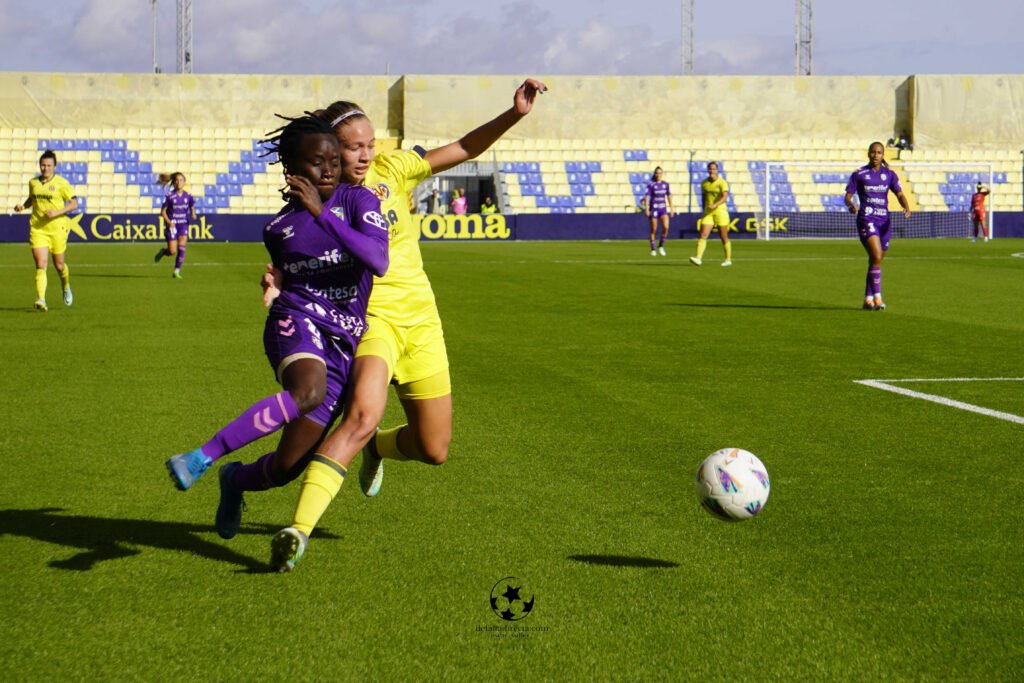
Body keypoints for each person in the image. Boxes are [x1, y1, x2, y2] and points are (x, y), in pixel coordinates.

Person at [263, 78, 547, 571]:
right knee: (359, 416)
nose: (366, 155)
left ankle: (379, 447)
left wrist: (514, 113)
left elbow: (462, 147)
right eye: (354, 147)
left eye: (370, 144)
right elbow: (294, 256)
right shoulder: (321, 200)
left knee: (434, 449)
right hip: (369, 322)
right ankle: (297, 530)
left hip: (423, 321)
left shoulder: (393, 169)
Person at [164, 113, 388, 549]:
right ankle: (202, 457)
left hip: (344, 341)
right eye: (316, 163)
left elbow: (377, 260)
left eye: (333, 162)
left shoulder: (358, 202)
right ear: (293, 170)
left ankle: (235, 480)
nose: (328, 169)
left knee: (287, 468)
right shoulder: (278, 228)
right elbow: (290, 276)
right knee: (308, 392)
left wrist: (323, 216)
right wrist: (276, 288)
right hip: (297, 322)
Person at [844, 141, 911, 310]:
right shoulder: (859, 174)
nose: (876, 155)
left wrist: (906, 205)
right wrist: (851, 204)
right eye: (873, 152)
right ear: (868, 154)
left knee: (876, 260)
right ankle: (878, 298)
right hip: (867, 219)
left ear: (883, 155)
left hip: (885, 222)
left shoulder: (889, 174)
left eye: (879, 152)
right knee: (876, 255)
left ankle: (867, 299)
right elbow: (847, 196)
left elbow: (900, 193)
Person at [13, 150, 78, 311]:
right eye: (43, 165)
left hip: (57, 229)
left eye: (49, 165)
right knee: (41, 264)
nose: (45, 168)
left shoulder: (62, 183)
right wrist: (23, 206)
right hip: (38, 228)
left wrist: (56, 212)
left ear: (54, 166)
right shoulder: (33, 182)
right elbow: (31, 199)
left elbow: (74, 204)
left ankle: (65, 285)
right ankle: (41, 299)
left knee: (59, 265)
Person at [154, 172, 197, 278]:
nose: (179, 182)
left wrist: (193, 213)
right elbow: (163, 211)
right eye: (177, 180)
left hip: (183, 225)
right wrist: (168, 222)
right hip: (172, 226)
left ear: (184, 182)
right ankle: (164, 251)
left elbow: (191, 206)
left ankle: (176, 271)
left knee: (182, 248)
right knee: (172, 251)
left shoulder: (189, 196)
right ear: (174, 182)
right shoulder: (169, 196)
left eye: (181, 180)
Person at [690, 161, 732, 267]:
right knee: (703, 234)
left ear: (717, 170)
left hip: (720, 212)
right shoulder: (704, 183)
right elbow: (704, 197)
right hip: (708, 213)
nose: (712, 170)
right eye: (710, 169)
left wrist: (715, 205)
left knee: (723, 236)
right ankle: (698, 258)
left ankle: (728, 259)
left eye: (713, 169)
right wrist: (704, 208)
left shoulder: (722, 182)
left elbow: (725, 197)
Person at [640, 166, 672, 256]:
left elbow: (669, 195)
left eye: (660, 173)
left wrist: (672, 208)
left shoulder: (666, 184)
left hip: (663, 209)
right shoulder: (651, 184)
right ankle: (653, 248)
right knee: (654, 229)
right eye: (657, 173)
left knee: (666, 227)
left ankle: (661, 246)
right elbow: (647, 196)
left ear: (662, 174)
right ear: (655, 174)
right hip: (654, 209)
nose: (659, 174)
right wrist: (646, 209)